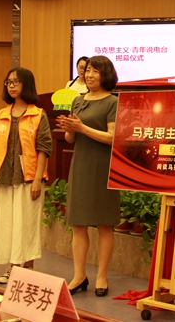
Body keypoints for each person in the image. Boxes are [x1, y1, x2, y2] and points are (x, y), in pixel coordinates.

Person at [56, 55, 120, 297]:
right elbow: (71, 139)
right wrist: (70, 128)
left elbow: (112, 137)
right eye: (88, 70)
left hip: (103, 166)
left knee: (104, 223)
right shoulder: (77, 100)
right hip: (81, 165)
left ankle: (102, 275)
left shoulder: (112, 102)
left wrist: (82, 127)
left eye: (95, 71)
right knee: (78, 224)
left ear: (106, 75)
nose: (90, 75)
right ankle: (79, 275)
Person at [0, 67, 52, 284]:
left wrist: (37, 179)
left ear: (27, 84)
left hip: (29, 178)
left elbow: (44, 148)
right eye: (9, 82)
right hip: (4, 176)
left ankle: (28, 269)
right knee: (7, 223)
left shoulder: (38, 115)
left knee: (27, 223)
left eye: (16, 82)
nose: (11, 86)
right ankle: (13, 267)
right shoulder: (1, 115)